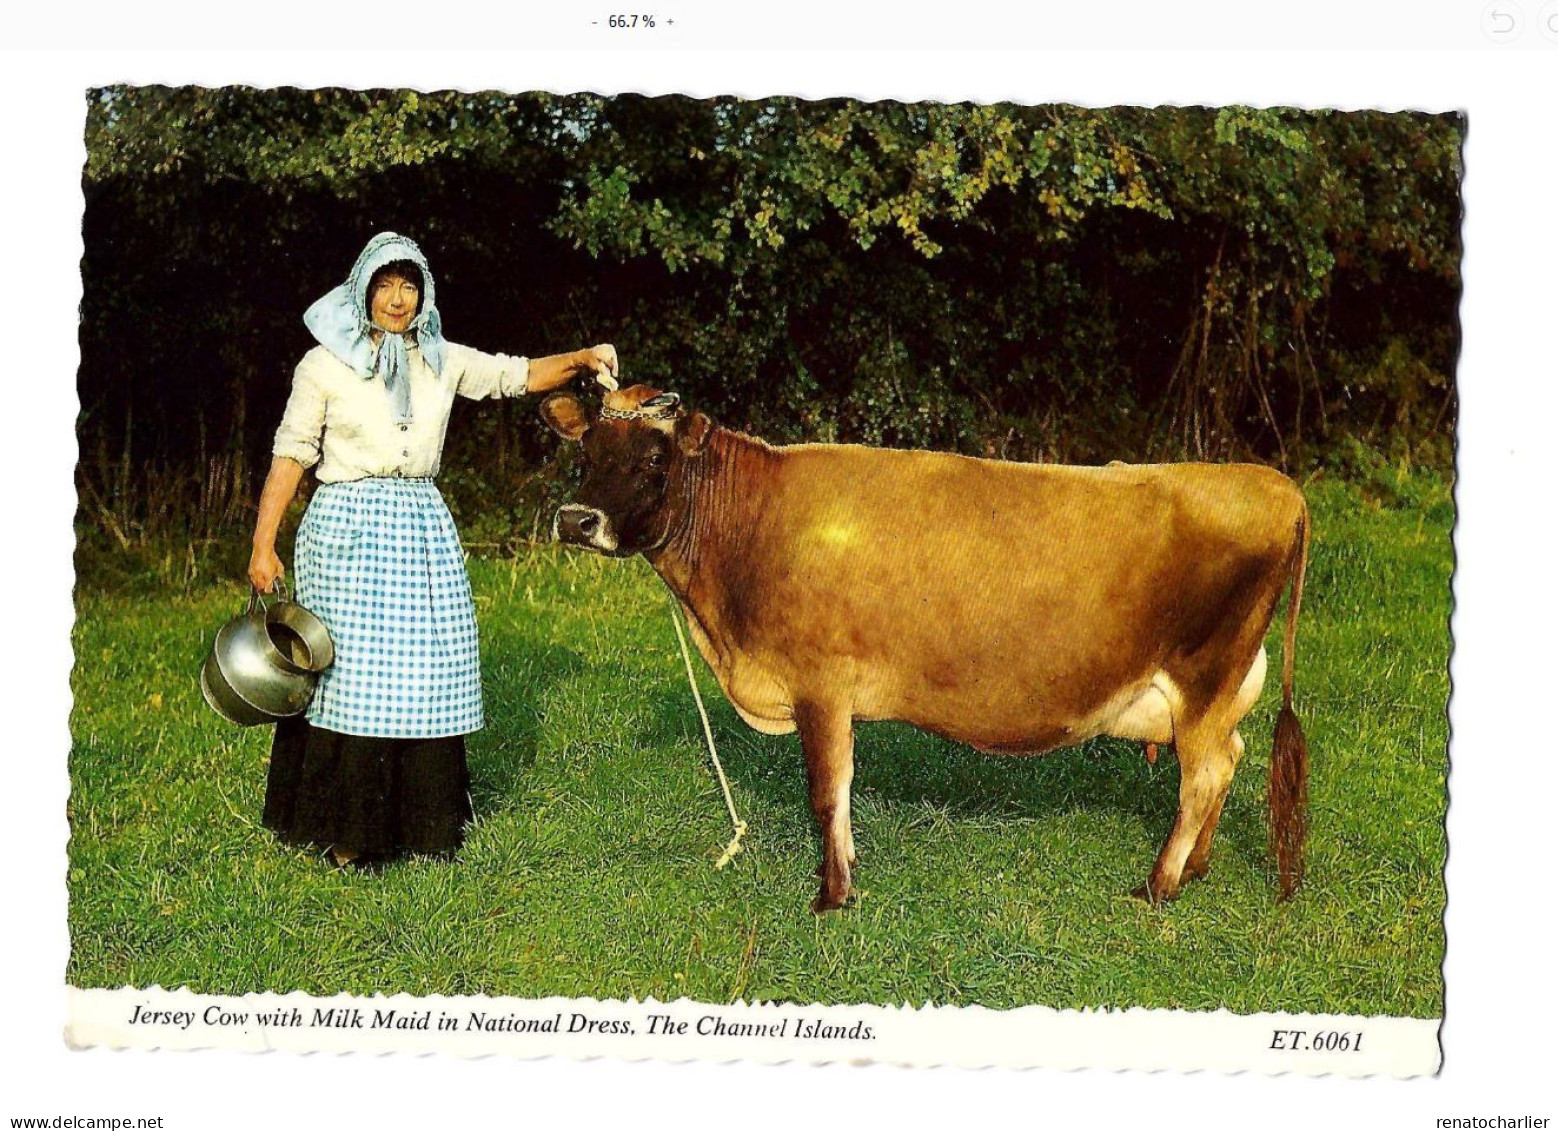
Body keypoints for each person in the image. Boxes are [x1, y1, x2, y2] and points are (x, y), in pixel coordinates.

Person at [248, 231, 617, 867]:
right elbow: (291, 453)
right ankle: (346, 836)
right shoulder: (324, 364)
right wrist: (263, 543)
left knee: (427, 671)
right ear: (363, 290)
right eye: (386, 285)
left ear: (424, 292)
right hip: (346, 530)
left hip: (420, 526)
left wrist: (584, 358)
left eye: (409, 285)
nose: (397, 299)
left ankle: (424, 831)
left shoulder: (439, 358)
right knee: (351, 677)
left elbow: (516, 375)